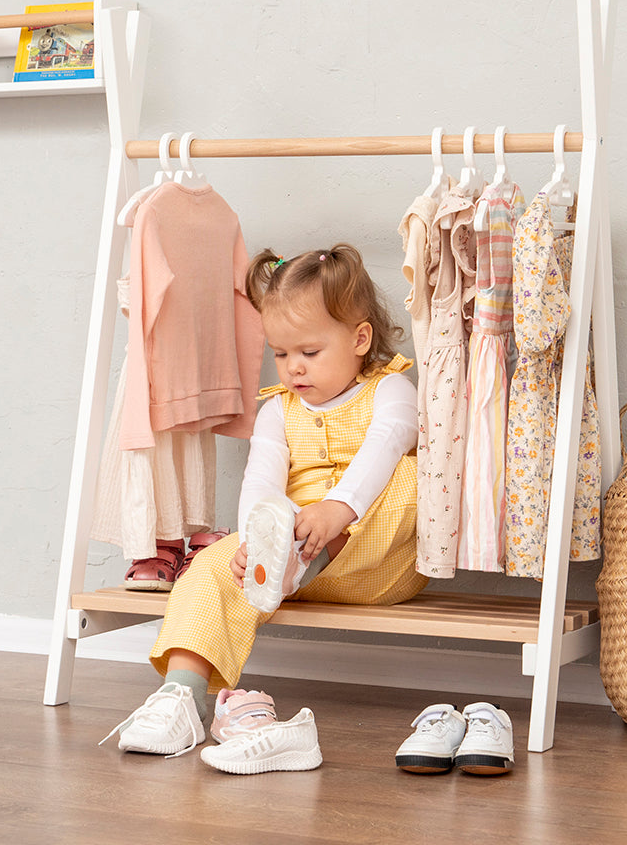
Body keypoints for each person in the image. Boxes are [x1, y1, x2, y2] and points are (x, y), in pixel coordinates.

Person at [101, 243, 428, 758]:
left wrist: (336, 510)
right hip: (279, 565)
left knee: (411, 475)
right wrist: (254, 541)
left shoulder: (391, 390)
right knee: (211, 561)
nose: (292, 369)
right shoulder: (278, 409)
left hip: (373, 564)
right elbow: (261, 479)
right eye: (280, 354)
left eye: (309, 352)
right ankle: (181, 698)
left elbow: (385, 446)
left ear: (361, 338)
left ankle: (296, 558)